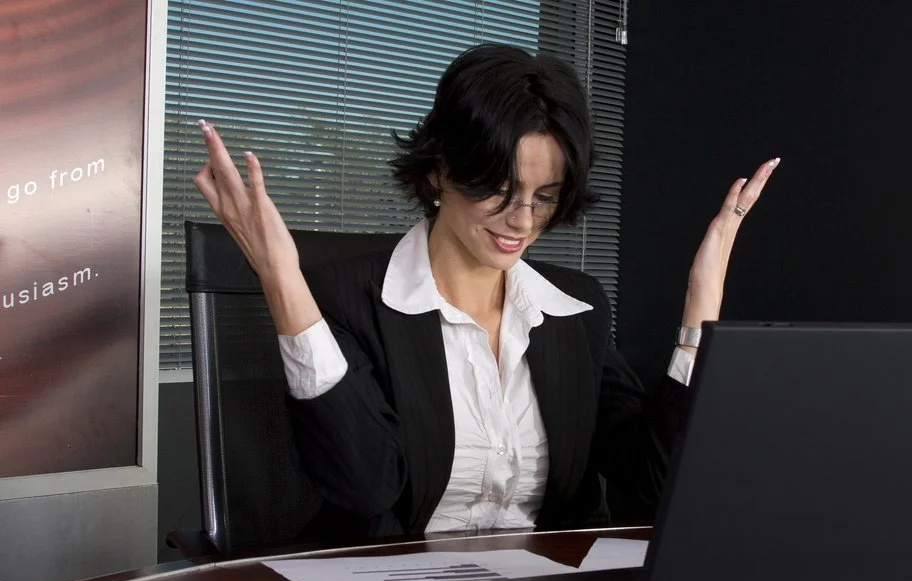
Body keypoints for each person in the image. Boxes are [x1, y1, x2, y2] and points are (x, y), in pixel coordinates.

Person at [192, 44, 778, 541]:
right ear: (439, 171)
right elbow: (364, 486)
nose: (521, 221)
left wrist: (701, 309)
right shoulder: (346, 300)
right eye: (499, 189)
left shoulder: (573, 310)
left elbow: (653, 483)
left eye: (544, 197)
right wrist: (280, 277)